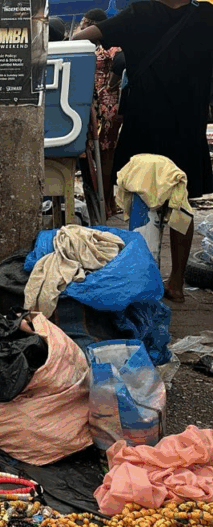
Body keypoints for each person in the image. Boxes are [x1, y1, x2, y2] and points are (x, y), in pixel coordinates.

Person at [75, 0, 213, 302]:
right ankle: (175, 281)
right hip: (188, 127)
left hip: (145, 123)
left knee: (143, 195)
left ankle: (143, 280)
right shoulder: (207, 16)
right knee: (181, 203)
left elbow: (81, 38)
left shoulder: (140, 14)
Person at [74, 9, 122, 218]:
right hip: (92, 105)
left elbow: (121, 63)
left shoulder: (109, 45)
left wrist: (108, 86)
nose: (82, 27)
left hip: (107, 108)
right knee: (97, 155)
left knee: (105, 155)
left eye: (85, 23)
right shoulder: (86, 45)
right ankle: (106, 202)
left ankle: (108, 204)